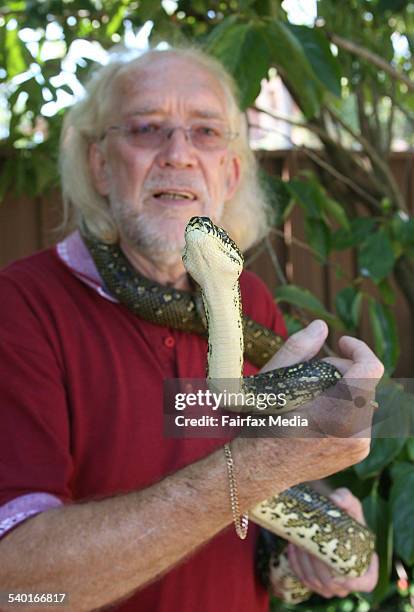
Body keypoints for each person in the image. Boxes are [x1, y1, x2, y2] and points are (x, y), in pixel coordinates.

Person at [0, 47, 382, 611]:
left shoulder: (244, 299)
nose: (178, 154)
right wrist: (252, 468)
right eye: (146, 128)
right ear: (100, 164)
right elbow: (18, 587)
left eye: (205, 131)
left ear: (228, 173)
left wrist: (321, 534)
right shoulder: (20, 306)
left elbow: (269, 483)